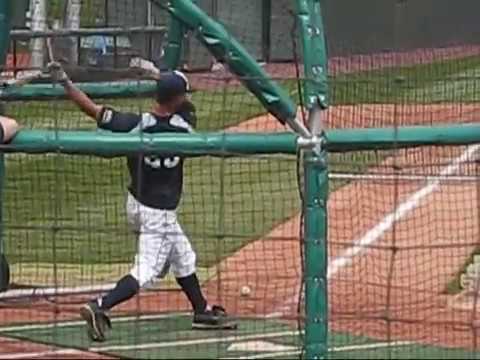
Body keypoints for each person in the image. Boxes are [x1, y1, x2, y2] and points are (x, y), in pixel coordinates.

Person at [47, 62, 236, 342]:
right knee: (146, 270)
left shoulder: (134, 124)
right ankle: (99, 306)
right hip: (158, 214)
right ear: (177, 99)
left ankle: (201, 310)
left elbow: (94, 111)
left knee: (183, 255)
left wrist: (65, 83)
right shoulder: (184, 130)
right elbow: (184, 105)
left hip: (136, 204)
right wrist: (159, 76)